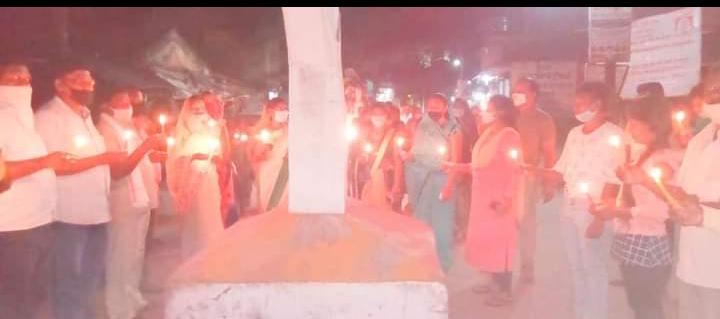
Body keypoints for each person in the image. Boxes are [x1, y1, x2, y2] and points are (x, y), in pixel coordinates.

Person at [34, 66, 126, 319]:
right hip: (68, 215)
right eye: (79, 81)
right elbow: (56, 166)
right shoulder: (48, 117)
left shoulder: (86, 116)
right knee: (67, 282)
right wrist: (104, 158)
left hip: (97, 211)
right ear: (60, 85)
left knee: (90, 279)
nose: (87, 86)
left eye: (90, 80)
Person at [529, 82, 624, 319]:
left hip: (593, 208)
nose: (575, 107)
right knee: (577, 268)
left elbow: (615, 178)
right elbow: (562, 171)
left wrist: (600, 218)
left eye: (580, 103)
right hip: (570, 206)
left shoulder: (615, 135)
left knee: (594, 268)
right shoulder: (574, 134)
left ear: (598, 104)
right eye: (575, 103)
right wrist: (532, 170)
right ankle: (582, 313)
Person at [591, 98, 680, 319]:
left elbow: (663, 210)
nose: (628, 129)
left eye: (634, 123)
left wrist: (618, 212)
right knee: (637, 302)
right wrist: (610, 206)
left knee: (647, 305)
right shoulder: (641, 154)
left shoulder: (664, 159)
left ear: (653, 125)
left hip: (650, 240)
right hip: (633, 235)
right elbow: (628, 193)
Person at [0, 62, 72, 319]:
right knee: (15, 305)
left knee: (34, 300)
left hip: (39, 223)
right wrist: (43, 162)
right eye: (13, 78)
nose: (21, 83)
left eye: (26, 79)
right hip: (12, 230)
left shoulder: (24, 119)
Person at [443, 95, 523, 306]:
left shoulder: (509, 136)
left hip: (499, 198)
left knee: (501, 243)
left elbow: (516, 170)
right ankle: (492, 281)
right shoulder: (489, 133)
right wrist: (455, 167)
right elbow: (477, 165)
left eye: (489, 108)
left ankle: (504, 290)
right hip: (482, 197)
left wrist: (507, 199)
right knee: (487, 240)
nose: (483, 111)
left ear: (501, 113)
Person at [96, 89, 165, 319]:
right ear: (107, 105)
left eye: (129, 102)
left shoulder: (124, 128)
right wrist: (145, 147)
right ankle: (118, 307)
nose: (128, 106)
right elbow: (118, 170)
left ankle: (131, 296)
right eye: (122, 101)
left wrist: (151, 155)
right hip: (122, 200)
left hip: (139, 199)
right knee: (120, 255)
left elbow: (135, 157)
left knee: (135, 253)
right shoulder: (106, 130)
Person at [672, 68, 720, 319]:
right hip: (690, 265)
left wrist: (704, 217)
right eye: (710, 90)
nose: (713, 97)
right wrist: (646, 181)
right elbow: (683, 193)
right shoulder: (700, 139)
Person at [401, 93, 462, 272]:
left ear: (445, 107)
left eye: (437, 105)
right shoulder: (422, 126)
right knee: (421, 221)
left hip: (442, 180)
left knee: (441, 223)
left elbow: (455, 161)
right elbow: (416, 151)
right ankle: (422, 261)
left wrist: (449, 185)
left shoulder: (454, 130)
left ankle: (442, 264)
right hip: (419, 179)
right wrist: (407, 156)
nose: (433, 109)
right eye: (430, 105)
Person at [166, 95, 228, 259]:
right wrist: (193, 159)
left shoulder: (212, 137)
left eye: (204, 110)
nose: (201, 115)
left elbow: (223, 159)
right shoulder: (185, 140)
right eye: (196, 111)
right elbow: (176, 164)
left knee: (210, 224)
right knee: (197, 226)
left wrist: (214, 158)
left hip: (210, 185)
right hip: (192, 190)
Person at [511, 77, 558, 283]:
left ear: (533, 95)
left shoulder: (543, 119)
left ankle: (527, 265)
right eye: (515, 91)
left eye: (522, 91)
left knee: (526, 223)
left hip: (526, 177)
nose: (517, 95)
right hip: (502, 175)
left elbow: (549, 153)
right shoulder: (508, 116)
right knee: (501, 222)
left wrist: (549, 182)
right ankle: (497, 268)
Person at [354, 103, 399, 210]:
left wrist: (396, 185)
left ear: (387, 117)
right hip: (366, 178)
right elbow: (357, 154)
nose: (378, 117)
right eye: (375, 114)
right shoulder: (363, 133)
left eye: (381, 114)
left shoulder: (393, 134)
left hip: (386, 179)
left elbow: (398, 161)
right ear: (370, 116)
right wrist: (361, 158)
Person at [248, 97, 289, 213]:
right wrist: (263, 152)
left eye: (285, 109)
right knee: (268, 202)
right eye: (280, 109)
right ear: (271, 111)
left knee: (283, 205)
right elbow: (254, 156)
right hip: (268, 170)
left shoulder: (290, 130)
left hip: (284, 172)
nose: (284, 111)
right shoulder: (262, 131)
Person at [449, 97, 478, 243]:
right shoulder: (449, 124)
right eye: (455, 107)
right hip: (450, 166)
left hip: (465, 166)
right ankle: (455, 230)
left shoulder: (471, 126)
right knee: (453, 201)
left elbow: (475, 146)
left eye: (460, 107)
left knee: (463, 201)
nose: (457, 110)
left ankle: (464, 231)